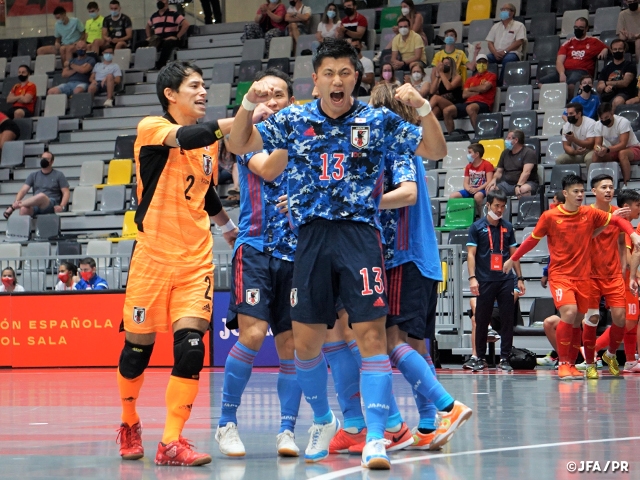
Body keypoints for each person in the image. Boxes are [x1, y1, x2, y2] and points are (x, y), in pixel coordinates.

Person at [227, 38, 459, 470]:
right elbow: (241, 144)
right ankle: (325, 419)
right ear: (315, 81)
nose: (337, 80)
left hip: (360, 238)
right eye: (328, 73)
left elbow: (435, 150)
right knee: (307, 345)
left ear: (356, 78)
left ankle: (374, 437)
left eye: (345, 72)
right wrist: (247, 104)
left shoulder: (377, 120)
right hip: (310, 240)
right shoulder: (294, 119)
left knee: (370, 336)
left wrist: (424, 108)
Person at [115, 60, 247, 467]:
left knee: (192, 347)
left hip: (195, 260)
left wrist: (226, 225)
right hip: (153, 256)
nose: (203, 91)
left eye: (205, 84)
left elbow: (204, 189)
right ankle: (129, 421)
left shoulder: (209, 144)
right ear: (171, 95)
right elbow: (188, 136)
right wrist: (243, 114)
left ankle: (171, 440)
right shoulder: (152, 128)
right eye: (194, 85)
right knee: (137, 350)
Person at [370, 83, 472, 450]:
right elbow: (439, 149)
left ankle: (447, 405)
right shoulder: (410, 144)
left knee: (388, 340)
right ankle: (428, 426)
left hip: (403, 256)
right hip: (426, 259)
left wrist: (361, 201)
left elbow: (407, 193)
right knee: (416, 345)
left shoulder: (391, 146)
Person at [215, 68, 303, 458]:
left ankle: (287, 430)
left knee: (292, 345)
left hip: (298, 253)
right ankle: (226, 424)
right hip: (254, 248)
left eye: (278, 95)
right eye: (264, 96)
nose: (271, 101)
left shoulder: (306, 137)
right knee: (252, 336)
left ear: (290, 100)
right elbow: (267, 169)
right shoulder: (248, 136)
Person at [505, 174, 640, 380]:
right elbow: (532, 240)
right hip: (567, 275)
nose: (579, 195)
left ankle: (586, 360)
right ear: (565, 193)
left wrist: (631, 235)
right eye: (575, 191)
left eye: (580, 191)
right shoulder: (551, 216)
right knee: (573, 313)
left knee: (582, 319)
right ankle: (570, 363)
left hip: (590, 276)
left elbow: (616, 223)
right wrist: (513, 258)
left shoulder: (589, 214)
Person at [466, 189, 524, 372]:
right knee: (481, 320)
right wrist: (472, 278)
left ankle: (505, 358)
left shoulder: (508, 227)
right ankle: (480, 357)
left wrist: (520, 278)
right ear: (488, 205)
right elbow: (471, 254)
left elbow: (514, 254)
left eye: (503, 206)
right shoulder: (476, 227)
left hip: (505, 279)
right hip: (484, 279)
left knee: (507, 320)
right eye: (497, 206)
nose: (500, 210)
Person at [588, 188, 640, 373]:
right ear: (626, 207)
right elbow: (628, 254)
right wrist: (633, 277)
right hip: (621, 279)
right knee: (628, 321)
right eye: (637, 206)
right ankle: (593, 349)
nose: (639, 209)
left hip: (620, 277)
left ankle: (630, 359)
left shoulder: (627, 225)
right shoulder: (624, 226)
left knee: (630, 321)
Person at [538, 17, 608, 98]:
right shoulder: (568, 43)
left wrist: (605, 49)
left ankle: (570, 103)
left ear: (586, 29)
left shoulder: (594, 41)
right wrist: (561, 73)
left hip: (582, 72)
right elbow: (559, 61)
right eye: (576, 27)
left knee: (571, 83)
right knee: (542, 82)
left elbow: (609, 48)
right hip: (565, 71)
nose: (578, 29)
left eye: (581, 28)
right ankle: (554, 99)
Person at [586, 102, 640, 185]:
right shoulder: (597, 125)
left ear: (612, 113)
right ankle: (598, 184)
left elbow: (623, 144)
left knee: (622, 153)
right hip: (613, 150)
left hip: (632, 148)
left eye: (606, 117)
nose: (604, 120)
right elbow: (597, 144)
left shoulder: (622, 122)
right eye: (602, 118)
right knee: (596, 155)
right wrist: (598, 150)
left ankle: (627, 184)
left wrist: (607, 149)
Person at [442, 54, 497, 134]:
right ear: (475, 64)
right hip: (468, 103)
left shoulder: (492, 76)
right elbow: (464, 94)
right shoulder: (470, 79)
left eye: (483, 62)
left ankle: (479, 134)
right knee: (446, 111)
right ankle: (452, 135)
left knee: (470, 108)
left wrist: (471, 89)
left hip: (484, 103)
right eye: (479, 62)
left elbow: (485, 88)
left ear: (487, 64)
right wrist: (479, 91)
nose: (481, 64)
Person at [4, 152, 69, 219]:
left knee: (41, 196)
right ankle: (24, 225)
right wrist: (16, 201)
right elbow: (23, 191)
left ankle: (12, 207)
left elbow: (66, 192)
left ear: (52, 162)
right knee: (23, 209)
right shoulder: (33, 175)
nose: (44, 160)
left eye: (47, 159)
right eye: (43, 158)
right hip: (36, 205)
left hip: (51, 204)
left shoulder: (59, 175)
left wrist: (61, 206)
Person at [487, 129, 539, 197]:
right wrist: (493, 180)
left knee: (523, 190)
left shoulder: (528, 153)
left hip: (527, 182)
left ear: (516, 140)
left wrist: (518, 185)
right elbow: (499, 171)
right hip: (508, 184)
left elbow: (526, 172)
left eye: (508, 138)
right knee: (490, 189)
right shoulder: (505, 153)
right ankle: (499, 207)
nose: (506, 140)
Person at [485, 3, 526, 86]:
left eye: (506, 10)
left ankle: (501, 84)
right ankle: (487, 82)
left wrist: (505, 51)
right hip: (496, 53)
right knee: (485, 59)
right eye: (502, 10)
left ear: (512, 12)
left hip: (511, 53)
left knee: (508, 60)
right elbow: (489, 42)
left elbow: (519, 41)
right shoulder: (495, 26)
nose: (503, 11)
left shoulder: (519, 25)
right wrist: (495, 53)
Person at [144, 0, 190, 70]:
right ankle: (144, 65)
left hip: (170, 39)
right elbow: (148, 26)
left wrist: (177, 36)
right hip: (158, 39)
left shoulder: (174, 14)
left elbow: (186, 24)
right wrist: (149, 37)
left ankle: (160, 65)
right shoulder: (154, 16)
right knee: (141, 44)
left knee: (167, 43)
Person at [597, 39, 638, 109]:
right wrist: (605, 88)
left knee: (617, 101)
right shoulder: (606, 68)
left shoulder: (630, 65)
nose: (617, 51)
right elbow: (599, 87)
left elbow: (625, 83)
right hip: (608, 95)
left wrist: (607, 83)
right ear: (612, 51)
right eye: (615, 49)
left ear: (624, 50)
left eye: (620, 49)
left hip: (625, 93)